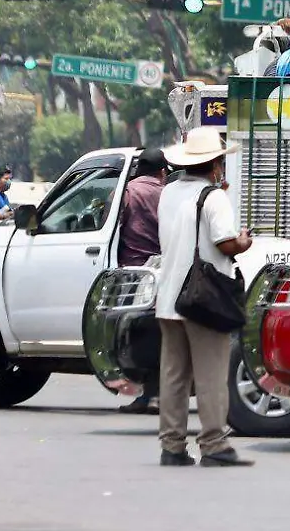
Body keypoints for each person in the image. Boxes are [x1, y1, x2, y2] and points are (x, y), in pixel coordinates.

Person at [155, 127, 254, 467]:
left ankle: (172, 446)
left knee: (173, 375)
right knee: (211, 375)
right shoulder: (214, 197)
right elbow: (225, 243)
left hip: (169, 296)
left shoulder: (168, 193)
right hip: (203, 299)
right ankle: (213, 444)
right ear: (214, 165)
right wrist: (243, 241)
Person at [117, 147, 170, 412]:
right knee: (160, 336)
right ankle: (157, 394)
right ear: (162, 171)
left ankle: (145, 394)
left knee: (135, 336)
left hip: (133, 274)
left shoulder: (128, 191)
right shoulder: (168, 193)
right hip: (164, 273)